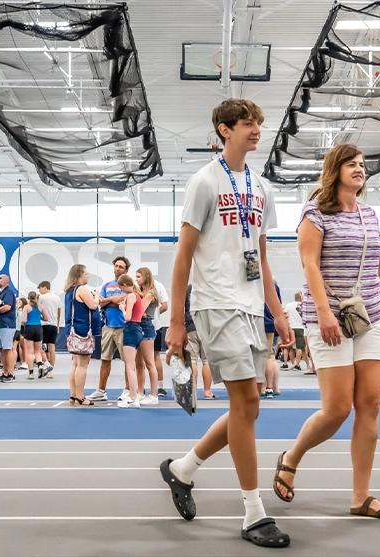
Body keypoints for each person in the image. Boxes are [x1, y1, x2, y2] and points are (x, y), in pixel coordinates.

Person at [161, 98, 292, 547]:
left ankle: (182, 469)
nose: (256, 129)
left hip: (253, 305)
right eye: (246, 123)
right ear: (224, 129)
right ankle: (254, 513)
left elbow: (263, 256)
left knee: (249, 405)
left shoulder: (261, 186)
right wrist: (176, 323)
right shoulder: (204, 182)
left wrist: (277, 310)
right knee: (243, 402)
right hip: (216, 304)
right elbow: (182, 259)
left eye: (258, 122)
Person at [273, 143, 380, 522]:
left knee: (370, 405)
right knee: (336, 409)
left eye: (363, 164)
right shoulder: (315, 212)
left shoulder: (369, 215)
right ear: (336, 169)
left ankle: (360, 495)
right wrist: (326, 314)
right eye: (352, 164)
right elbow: (309, 265)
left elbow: (379, 272)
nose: (360, 169)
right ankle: (291, 457)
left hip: (372, 317)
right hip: (327, 319)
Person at [87, 256, 130, 403]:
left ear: (126, 270)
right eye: (116, 266)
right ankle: (101, 391)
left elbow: (123, 302)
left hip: (124, 327)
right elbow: (100, 302)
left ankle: (128, 391)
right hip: (108, 327)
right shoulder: (107, 285)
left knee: (128, 362)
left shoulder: (129, 286)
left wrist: (107, 301)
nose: (117, 269)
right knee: (105, 359)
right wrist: (112, 300)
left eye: (121, 267)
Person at [64, 264, 99, 406]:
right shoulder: (82, 289)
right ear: (79, 274)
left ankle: (73, 395)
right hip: (82, 330)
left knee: (75, 363)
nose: (88, 276)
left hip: (72, 329)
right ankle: (80, 396)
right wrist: (96, 296)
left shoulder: (69, 291)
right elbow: (93, 305)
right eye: (86, 273)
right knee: (83, 365)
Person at [134, 267, 160, 405]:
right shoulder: (141, 292)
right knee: (139, 363)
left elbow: (139, 309)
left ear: (145, 276)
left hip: (146, 327)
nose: (136, 279)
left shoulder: (150, 292)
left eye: (138, 276)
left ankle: (154, 395)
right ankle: (140, 392)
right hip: (138, 326)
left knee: (149, 362)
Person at [117, 274, 143, 408]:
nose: (121, 290)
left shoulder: (131, 296)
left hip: (131, 328)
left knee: (129, 366)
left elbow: (127, 317)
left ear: (126, 285)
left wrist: (122, 308)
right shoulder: (138, 296)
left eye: (121, 287)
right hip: (137, 328)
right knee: (131, 365)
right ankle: (135, 395)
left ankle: (133, 397)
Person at [185, 284, 214, 399]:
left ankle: (192, 391)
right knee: (206, 360)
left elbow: (183, 307)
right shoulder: (212, 288)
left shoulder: (189, 288)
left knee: (192, 360)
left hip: (191, 325)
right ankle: (207, 391)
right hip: (207, 327)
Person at [21, 291, 50, 380]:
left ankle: (31, 373)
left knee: (29, 351)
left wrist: (22, 326)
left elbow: (23, 320)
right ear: (37, 298)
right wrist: (38, 317)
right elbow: (46, 318)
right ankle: (40, 365)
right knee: (37, 351)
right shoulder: (40, 307)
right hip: (38, 328)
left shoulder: (26, 307)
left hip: (29, 328)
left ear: (28, 298)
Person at [0, 275, 18, 382]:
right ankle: (5, 372)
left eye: (0, 278)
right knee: (2, 349)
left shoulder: (8, 292)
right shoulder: (1, 294)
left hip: (7, 325)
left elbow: (7, 307)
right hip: (0, 324)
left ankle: (11, 374)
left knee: (8, 349)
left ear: (6, 281)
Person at [261, 281, 282, 398]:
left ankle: (263, 387)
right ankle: (273, 387)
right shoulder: (274, 286)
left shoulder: (252, 282)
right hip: (271, 325)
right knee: (271, 356)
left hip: (256, 324)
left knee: (260, 358)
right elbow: (278, 306)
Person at [38, 280, 61, 374]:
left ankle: (46, 365)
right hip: (54, 324)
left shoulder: (41, 297)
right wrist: (58, 324)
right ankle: (51, 371)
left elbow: (38, 309)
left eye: (40, 288)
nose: (39, 291)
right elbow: (59, 312)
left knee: (41, 347)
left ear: (44, 287)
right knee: (52, 347)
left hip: (44, 324)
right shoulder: (57, 298)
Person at [282, 292, 307, 372]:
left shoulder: (288, 305)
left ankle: (287, 363)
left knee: (288, 347)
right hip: (300, 327)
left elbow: (283, 313)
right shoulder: (303, 305)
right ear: (300, 298)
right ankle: (297, 364)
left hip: (290, 327)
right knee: (299, 347)